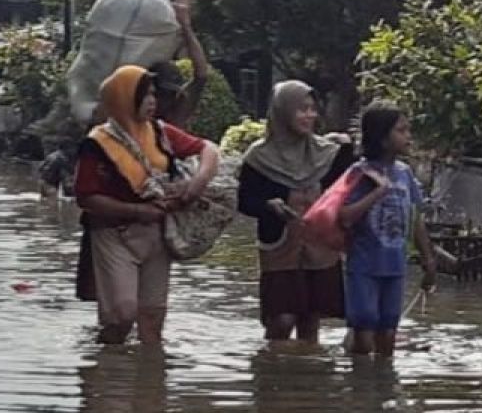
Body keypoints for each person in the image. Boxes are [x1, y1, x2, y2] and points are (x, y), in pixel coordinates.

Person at [73, 65, 219, 345]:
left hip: (157, 232)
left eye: (154, 95)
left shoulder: (159, 132)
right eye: (144, 95)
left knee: (152, 320)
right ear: (124, 98)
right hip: (114, 233)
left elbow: (207, 150)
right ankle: (107, 374)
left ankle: (150, 384)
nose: (152, 101)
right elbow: (86, 197)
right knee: (122, 315)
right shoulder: (97, 144)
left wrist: (197, 183)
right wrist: (138, 210)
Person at [237, 81, 354, 343]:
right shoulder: (258, 157)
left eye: (313, 109)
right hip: (279, 246)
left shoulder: (328, 154)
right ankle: (271, 371)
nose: (309, 116)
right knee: (282, 318)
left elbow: (344, 189)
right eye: (301, 109)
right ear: (283, 112)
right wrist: (269, 206)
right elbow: (244, 201)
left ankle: (305, 377)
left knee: (311, 317)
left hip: (320, 246)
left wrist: (347, 147)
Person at [338, 102, 437, 357]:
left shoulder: (404, 174)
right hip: (363, 266)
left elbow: (415, 218)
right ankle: (358, 385)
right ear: (382, 138)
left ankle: (382, 388)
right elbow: (345, 217)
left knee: (389, 333)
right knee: (364, 330)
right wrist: (378, 192)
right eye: (401, 131)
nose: (408, 137)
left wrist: (428, 258)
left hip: (395, 267)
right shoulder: (359, 173)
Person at [150, 0, 209, 128]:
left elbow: (201, 75)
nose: (166, 100)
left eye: (171, 94)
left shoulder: (175, 116)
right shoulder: (134, 116)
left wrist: (186, 27)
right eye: (162, 94)